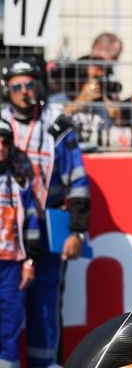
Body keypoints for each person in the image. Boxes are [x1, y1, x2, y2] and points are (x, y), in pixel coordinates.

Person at [0, 58, 90, 368]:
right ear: (7, 91)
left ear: (38, 85)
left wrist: (77, 232)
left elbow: (77, 182)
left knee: (45, 307)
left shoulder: (57, 125)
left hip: (50, 225)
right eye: (16, 86)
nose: (24, 92)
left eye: (29, 84)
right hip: (8, 232)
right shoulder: (0, 123)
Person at [0, 118, 41, 368]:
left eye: (4, 143)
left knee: (9, 327)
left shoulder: (19, 181)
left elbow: (32, 222)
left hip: (11, 266)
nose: (0, 148)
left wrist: (30, 260)